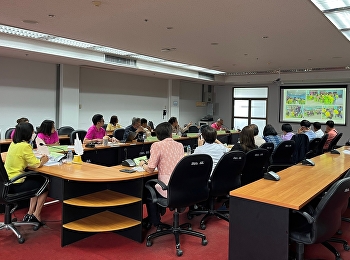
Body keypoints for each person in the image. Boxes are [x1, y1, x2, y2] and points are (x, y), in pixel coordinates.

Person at [139, 122, 184, 227]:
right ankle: (159, 212)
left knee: (148, 191)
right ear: (171, 134)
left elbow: (150, 169)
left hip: (168, 187)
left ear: (157, 135)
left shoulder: (157, 145)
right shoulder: (180, 145)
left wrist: (142, 164)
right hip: (181, 186)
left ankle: (154, 220)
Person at [4, 122, 49, 226]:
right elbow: (36, 164)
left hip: (6, 182)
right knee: (44, 184)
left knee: (35, 181)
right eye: (32, 131)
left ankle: (30, 213)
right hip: (16, 182)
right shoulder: (25, 146)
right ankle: (36, 214)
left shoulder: (13, 144)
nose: (34, 133)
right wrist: (44, 160)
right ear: (27, 133)